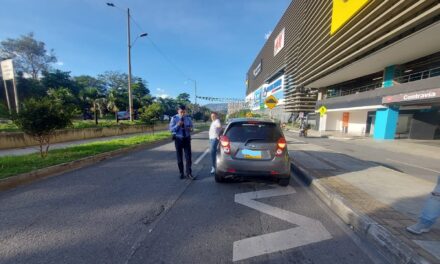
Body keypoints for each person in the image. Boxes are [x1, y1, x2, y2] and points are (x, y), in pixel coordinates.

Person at [169, 105, 195, 180]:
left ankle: (189, 173)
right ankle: (181, 173)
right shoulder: (174, 118)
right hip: (178, 139)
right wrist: (177, 125)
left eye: (184, 112)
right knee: (179, 157)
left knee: (188, 157)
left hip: (186, 139)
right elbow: (171, 130)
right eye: (181, 112)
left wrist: (189, 128)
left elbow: (192, 128)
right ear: (178, 111)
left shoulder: (188, 118)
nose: (183, 113)